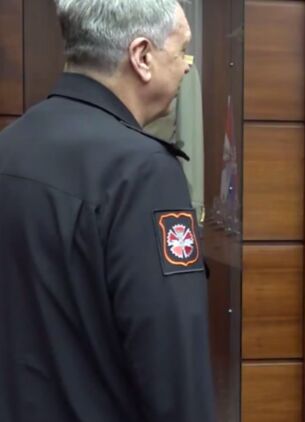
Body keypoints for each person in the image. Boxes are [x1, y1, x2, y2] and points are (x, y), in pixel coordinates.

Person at [0, 1, 214, 421]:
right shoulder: (144, 173)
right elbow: (174, 367)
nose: (186, 68)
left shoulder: (9, 147)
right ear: (142, 56)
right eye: (182, 51)